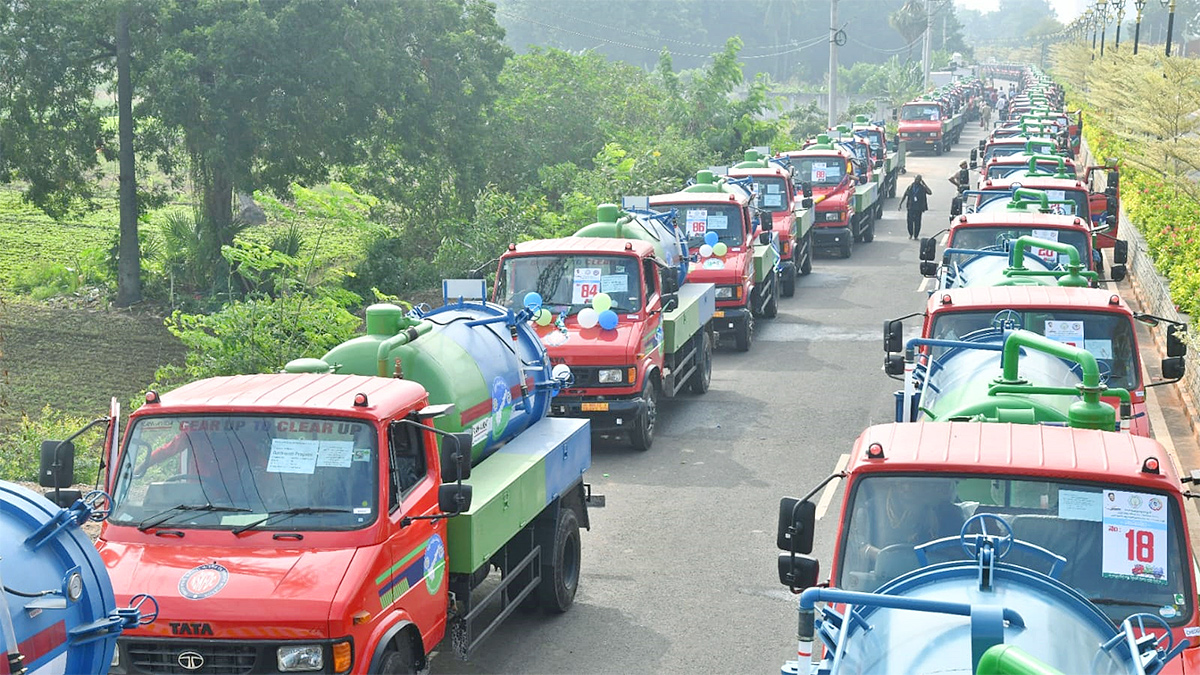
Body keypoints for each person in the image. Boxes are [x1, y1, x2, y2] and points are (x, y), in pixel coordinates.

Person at [899, 175, 932, 239]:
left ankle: (916, 235)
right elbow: (905, 195)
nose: (917, 180)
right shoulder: (910, 187)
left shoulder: (922, 188)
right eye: (916, 179)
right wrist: (900, 204)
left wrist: (924, 184)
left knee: (917, 223)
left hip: (919, 208)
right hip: (911, 207)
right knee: (909, 222)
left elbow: (930, 192)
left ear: (920, 180)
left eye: (918, 179)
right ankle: (910, 234)